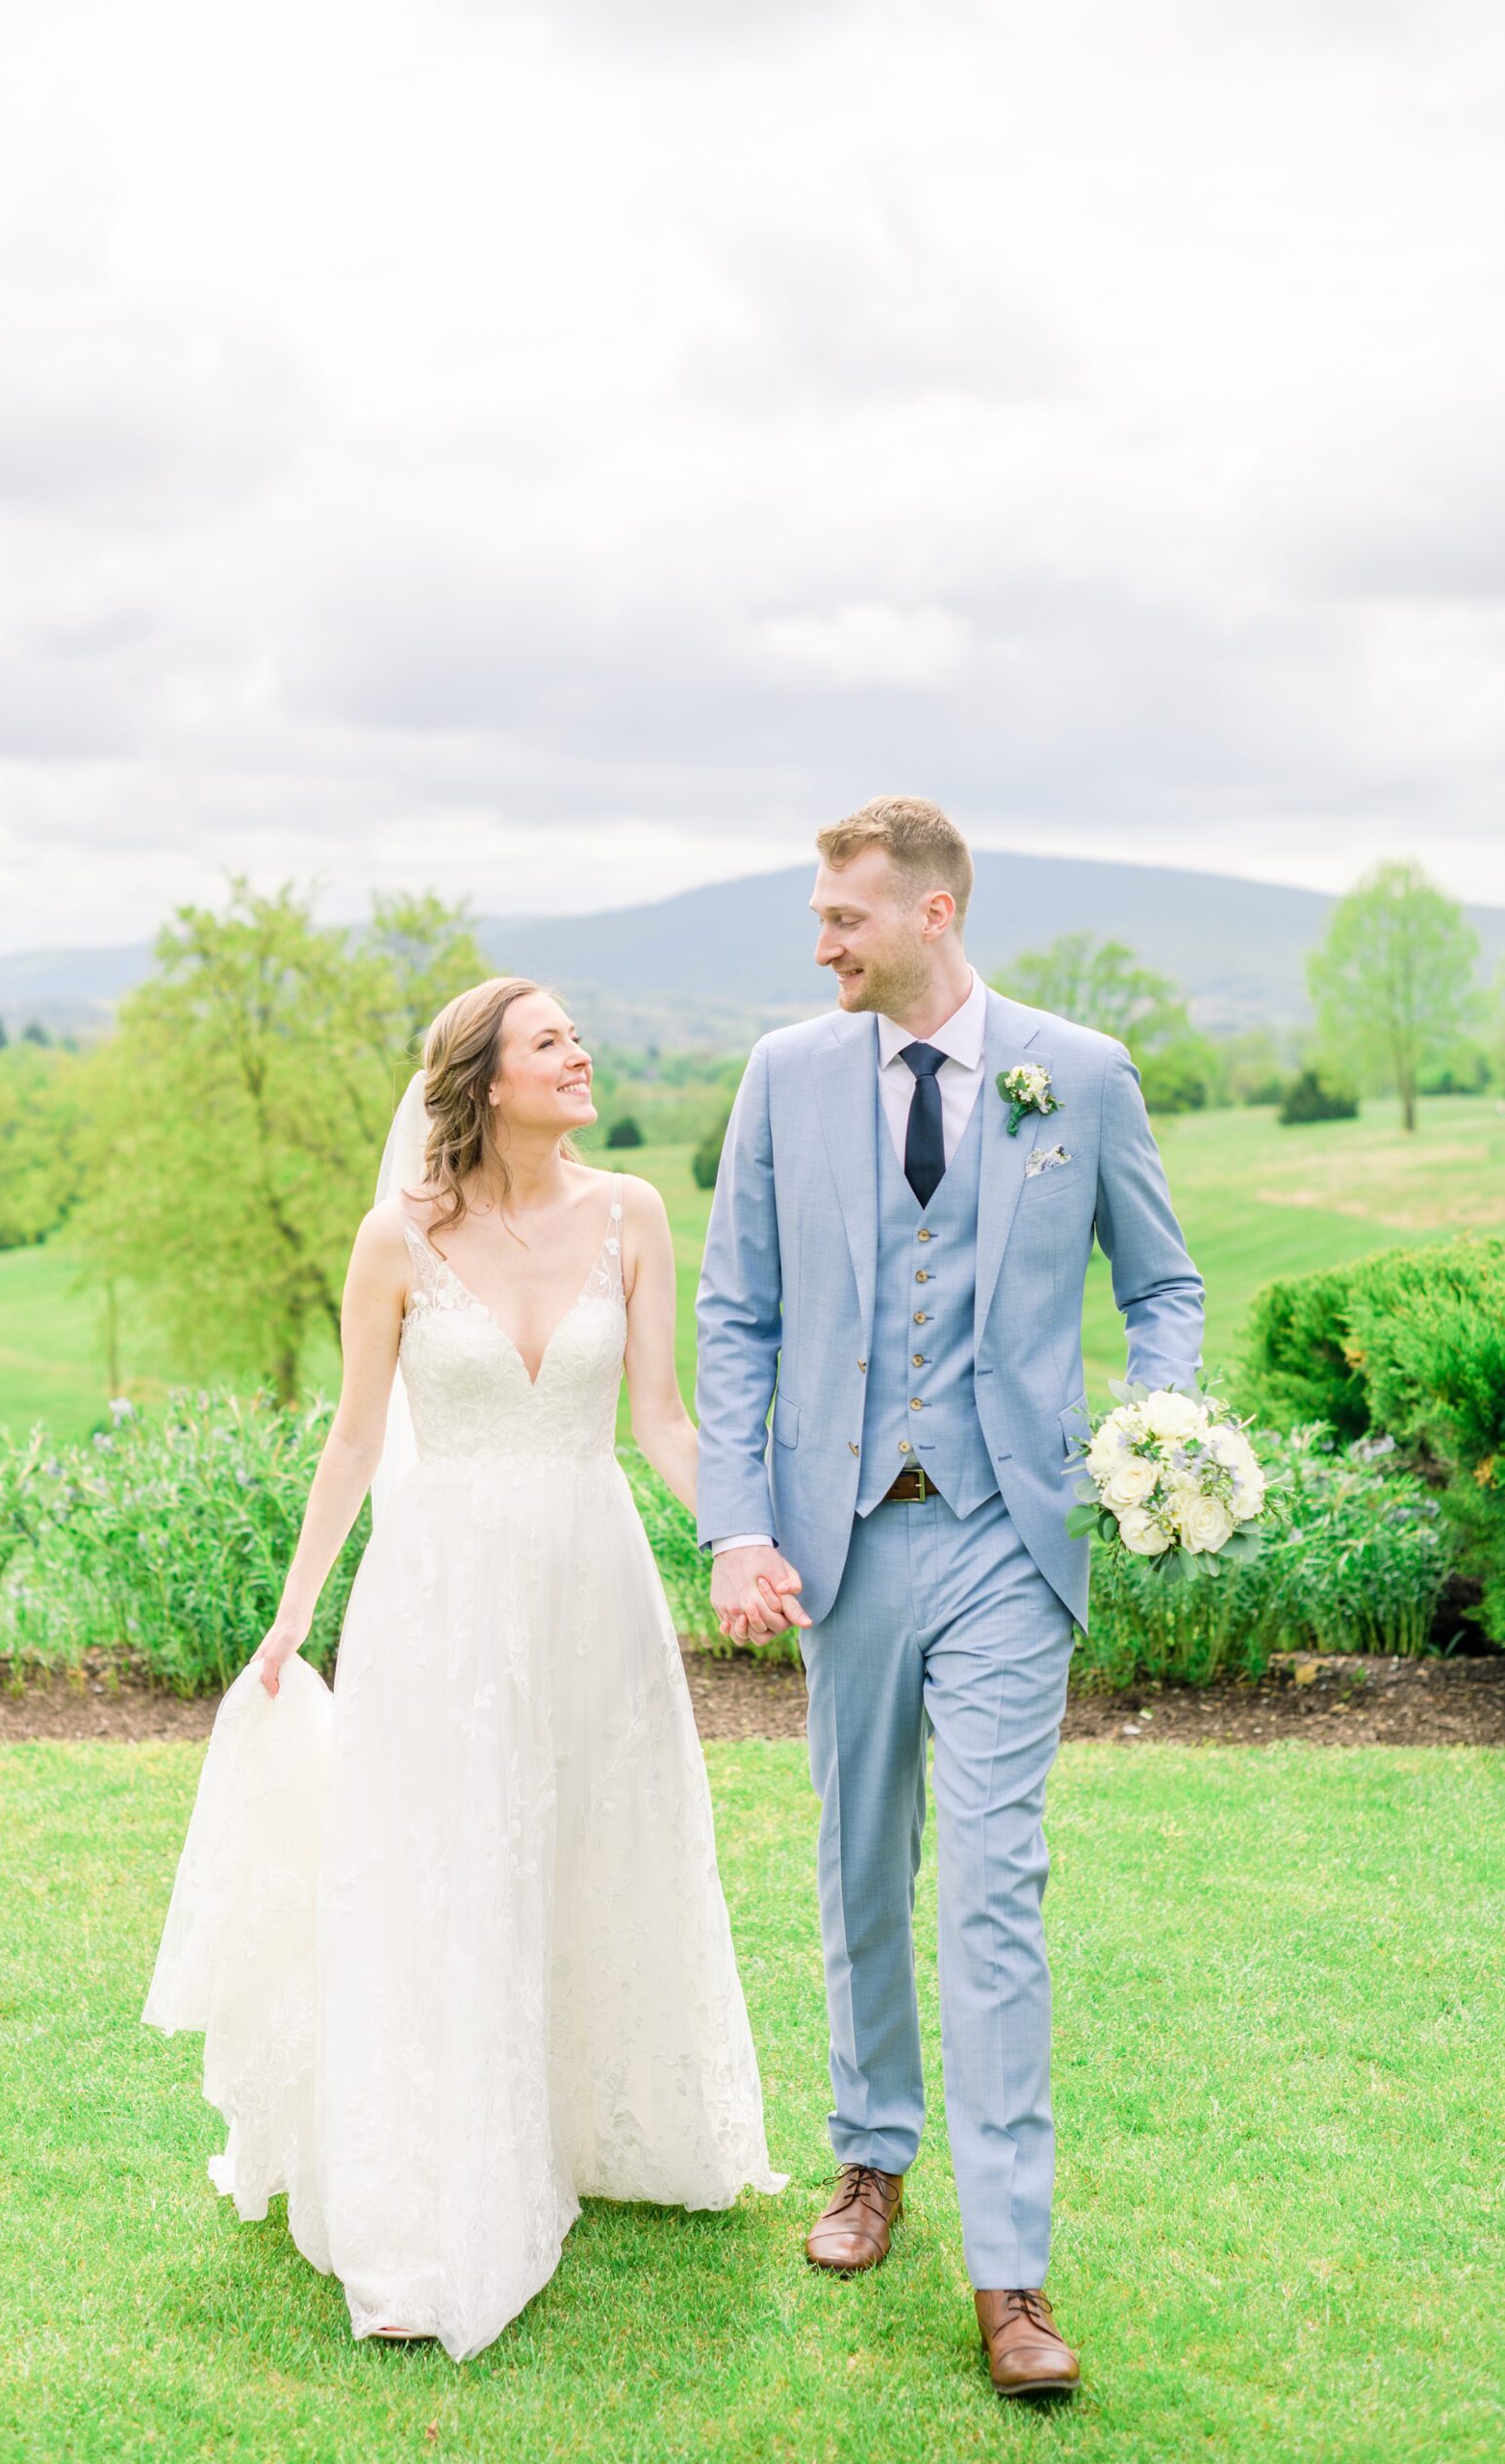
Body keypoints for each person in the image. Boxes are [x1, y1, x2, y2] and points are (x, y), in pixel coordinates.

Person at [144, 975, 783, 2360]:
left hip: (594, 1578)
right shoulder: (398, 1239)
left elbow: (663, 1419)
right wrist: (291, 1615)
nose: (583, 1052)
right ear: (489, 1078)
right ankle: (440, 2185)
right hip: (440, 1595)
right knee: (456, 1866)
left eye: (579, 1035)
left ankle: (594, 2113)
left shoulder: (631, 1213)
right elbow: (357, 1444)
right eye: (554, 1040)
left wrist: (743, 1538)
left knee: (601, 1840)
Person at [696, 797, 1204, 2400]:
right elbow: (737, 1313)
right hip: (840, 1535)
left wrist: (1161, 1426)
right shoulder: (785, 1076)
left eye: (844, 916)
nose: (822, 942)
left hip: (1010, 1541)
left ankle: (1012, 2273)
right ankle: (870, 2157)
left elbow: (1164, 1282)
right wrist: (732, 1528)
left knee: (991, 1887)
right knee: (860, 1864)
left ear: (932, 915)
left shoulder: (1084, 1074)